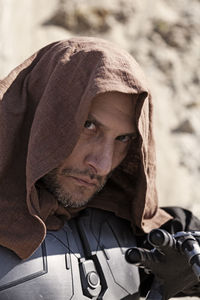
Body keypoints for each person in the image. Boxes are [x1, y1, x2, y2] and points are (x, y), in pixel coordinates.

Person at [0, 36, 200, 299]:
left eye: (123, 139)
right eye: (88, 126)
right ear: (41, 117)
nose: (103, 164)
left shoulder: (146, 231)